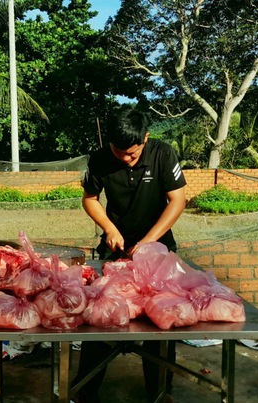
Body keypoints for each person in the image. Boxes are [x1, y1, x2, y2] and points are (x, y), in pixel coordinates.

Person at [75, 108, 187, 402]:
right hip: (116, 250)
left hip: (159, 250)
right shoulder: (99, 159)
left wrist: (149, 242)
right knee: (99, 319)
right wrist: (109, 228)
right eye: (119, 152)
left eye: (132, 154)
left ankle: (160, 391)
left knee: (160, 322)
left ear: (146, 139)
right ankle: (85, 390)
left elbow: (178, 200)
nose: (125, 158)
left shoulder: (164, 154)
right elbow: (89, 199)